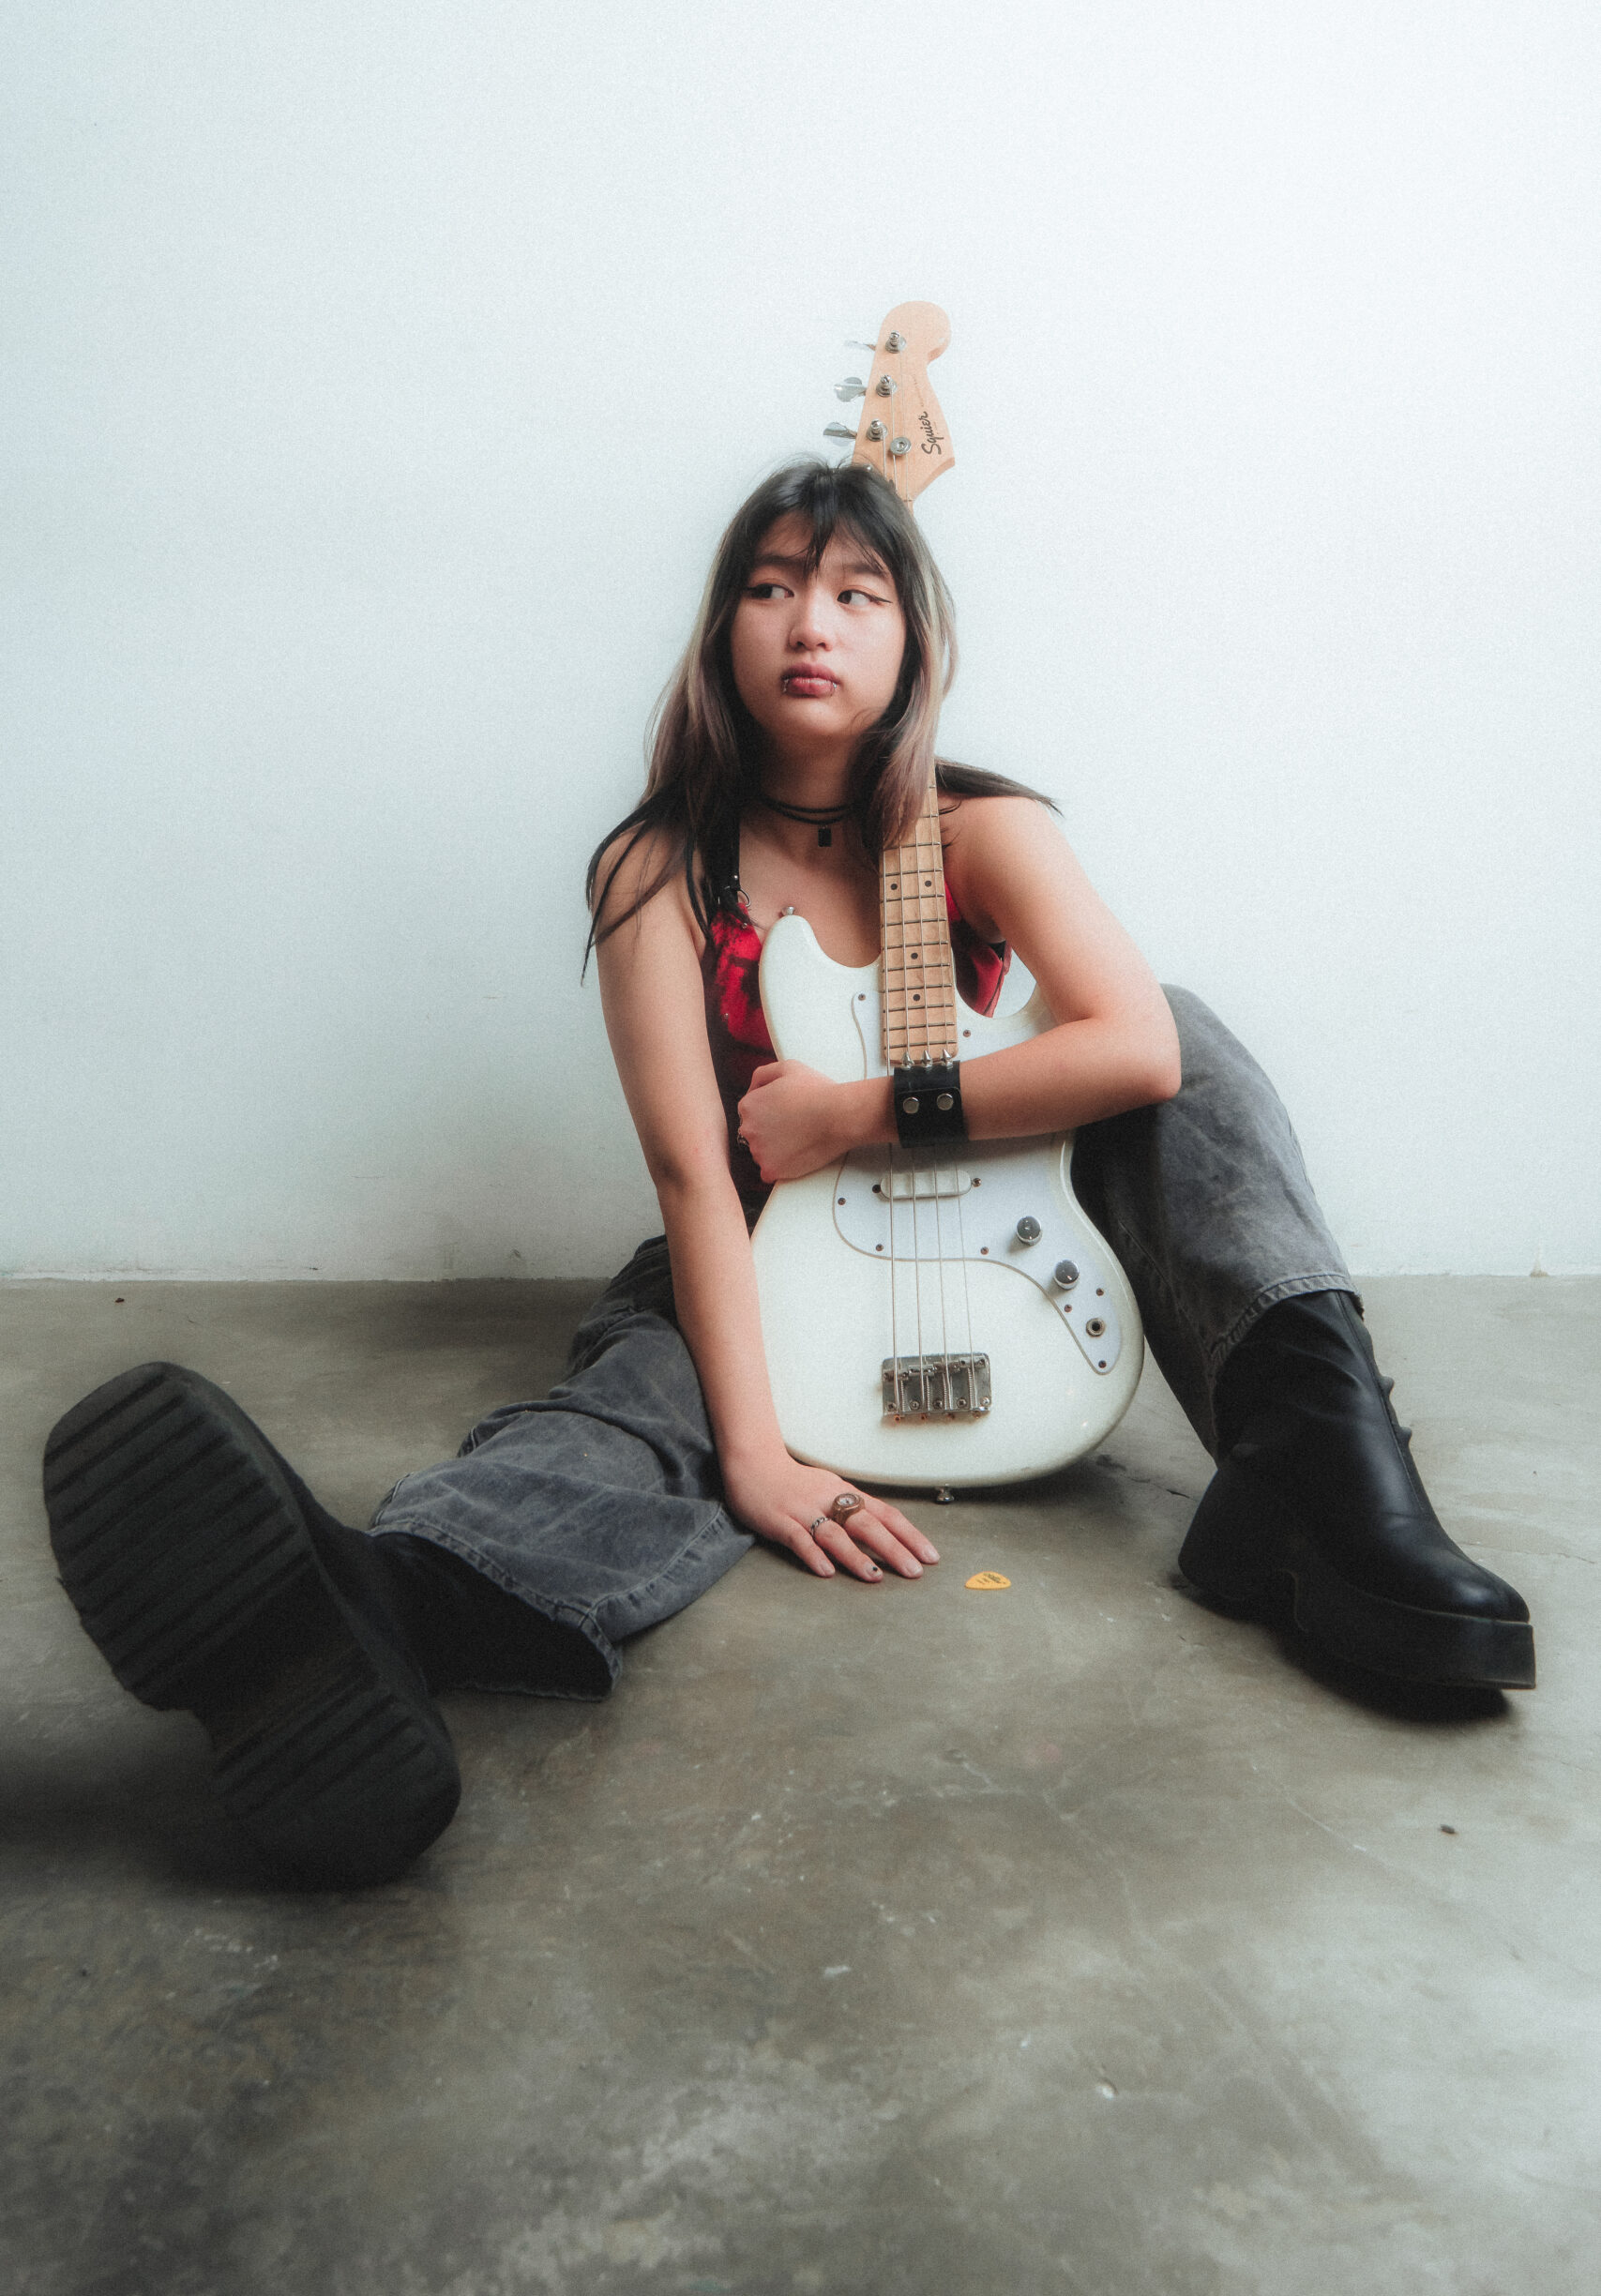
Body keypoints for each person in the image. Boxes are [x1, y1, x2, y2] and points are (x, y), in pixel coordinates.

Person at [40, 461, 1534, 1890]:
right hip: (763, 1242)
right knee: (645, 1397)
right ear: (721, 632)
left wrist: (860, 1112)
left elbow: (1138, 1052)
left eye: (856, 594)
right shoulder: (654, 869)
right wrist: (753, 1454)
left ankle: (1328, 1489)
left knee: (1185, 1036)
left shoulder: (987, 831)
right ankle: (377, 1611)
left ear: (914, 639)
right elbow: (695, 1177)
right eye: (770, 588)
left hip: (995, 1224)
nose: (810, 623)